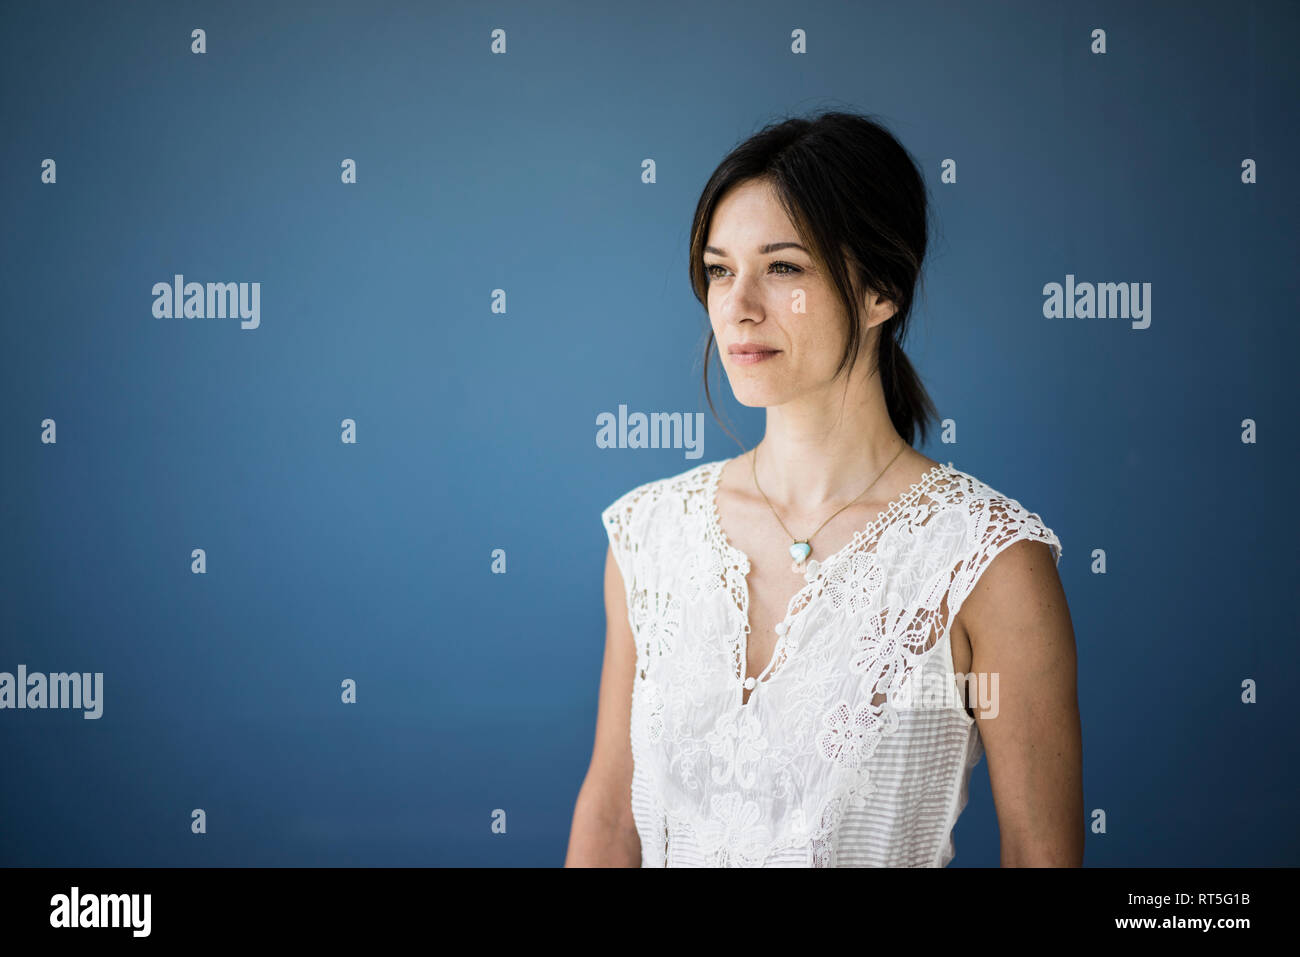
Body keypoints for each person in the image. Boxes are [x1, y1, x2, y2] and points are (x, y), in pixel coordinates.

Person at [566, 110, 1083, 867]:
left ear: (880, 290)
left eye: (783, 268)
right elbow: (612, 820)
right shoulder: (649, 536)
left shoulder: (988, 561)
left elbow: (1041, 852)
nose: (737, 306)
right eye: (718, 269)